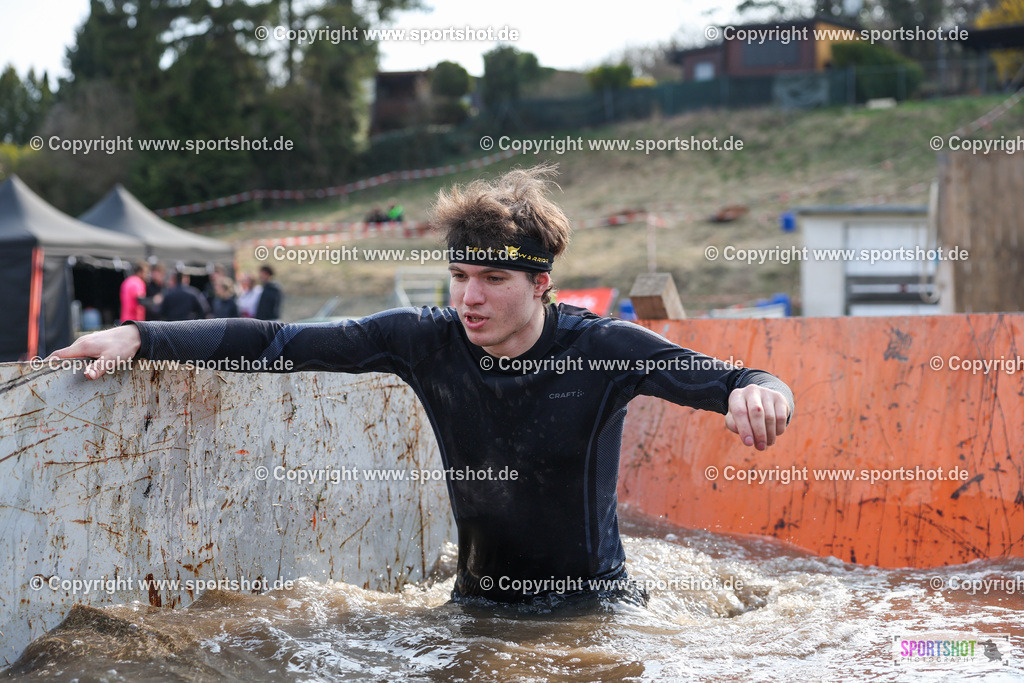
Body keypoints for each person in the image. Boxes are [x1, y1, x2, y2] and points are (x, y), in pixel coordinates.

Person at [48, 166, 793, 609]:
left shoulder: (602, 348)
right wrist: (139, 336)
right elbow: (276, 342)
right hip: (471, 603)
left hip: (590, 610)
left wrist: (759, 394)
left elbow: (742, 379)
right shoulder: (424, 339)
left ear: (540, 285)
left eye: (493, 279)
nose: (470, 296)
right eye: (461, 275)